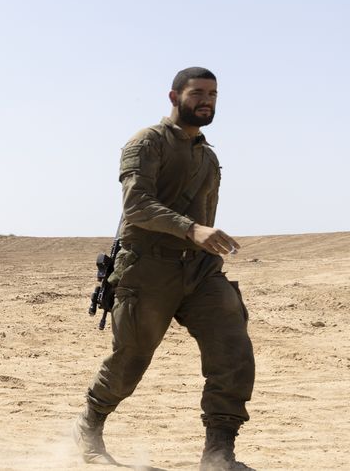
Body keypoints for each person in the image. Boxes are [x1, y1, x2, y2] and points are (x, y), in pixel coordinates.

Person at [74, 67, 254, 471]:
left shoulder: (208, 155)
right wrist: (192, 230)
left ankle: (219, 453)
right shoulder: (147, 143)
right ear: (174, 97)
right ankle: (89, 425)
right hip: (149, 269)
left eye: (213, 94)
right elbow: (136, 205)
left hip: (202, 271)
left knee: (233, 350)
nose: (206, 100)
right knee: (130, 360)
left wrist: (203, 241)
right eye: (197, 93)